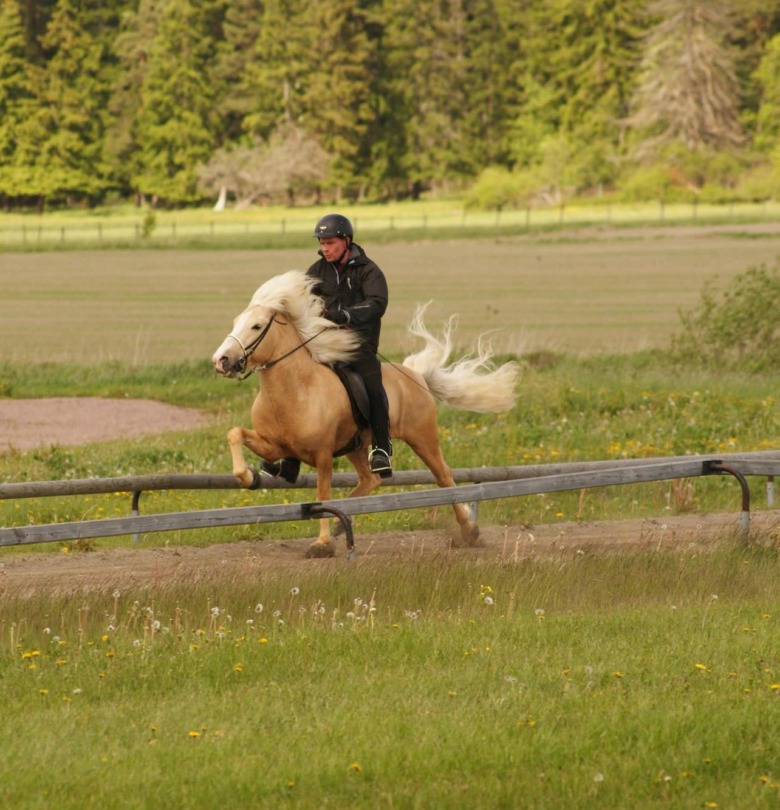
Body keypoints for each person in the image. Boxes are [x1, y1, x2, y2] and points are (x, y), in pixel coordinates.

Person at [262, 213, 393, 481]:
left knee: (372, 383)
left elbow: (377, 304)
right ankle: (290, 456)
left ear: (346, 241)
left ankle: (381, 447)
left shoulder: (368, 270)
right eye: (322, 243)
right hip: (324, 343)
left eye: (330, 242)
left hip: (357, 344)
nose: (325, 248)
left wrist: (346, 315)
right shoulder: (317, 271)